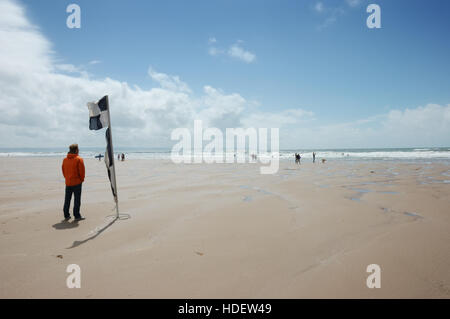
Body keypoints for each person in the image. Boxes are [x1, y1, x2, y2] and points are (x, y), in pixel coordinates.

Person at [62, 144, 85, 221]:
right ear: (76, 150)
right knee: (77, 200)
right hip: (77, 182)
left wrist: (67, 178)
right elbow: (82, 172)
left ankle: (66, 214)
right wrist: (81, 179)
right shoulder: (79, 159)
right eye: (78, 149)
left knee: (67, 199)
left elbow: (64, 171)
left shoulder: (65, 160)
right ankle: (77, 215)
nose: (79, 150)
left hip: (68, 182)